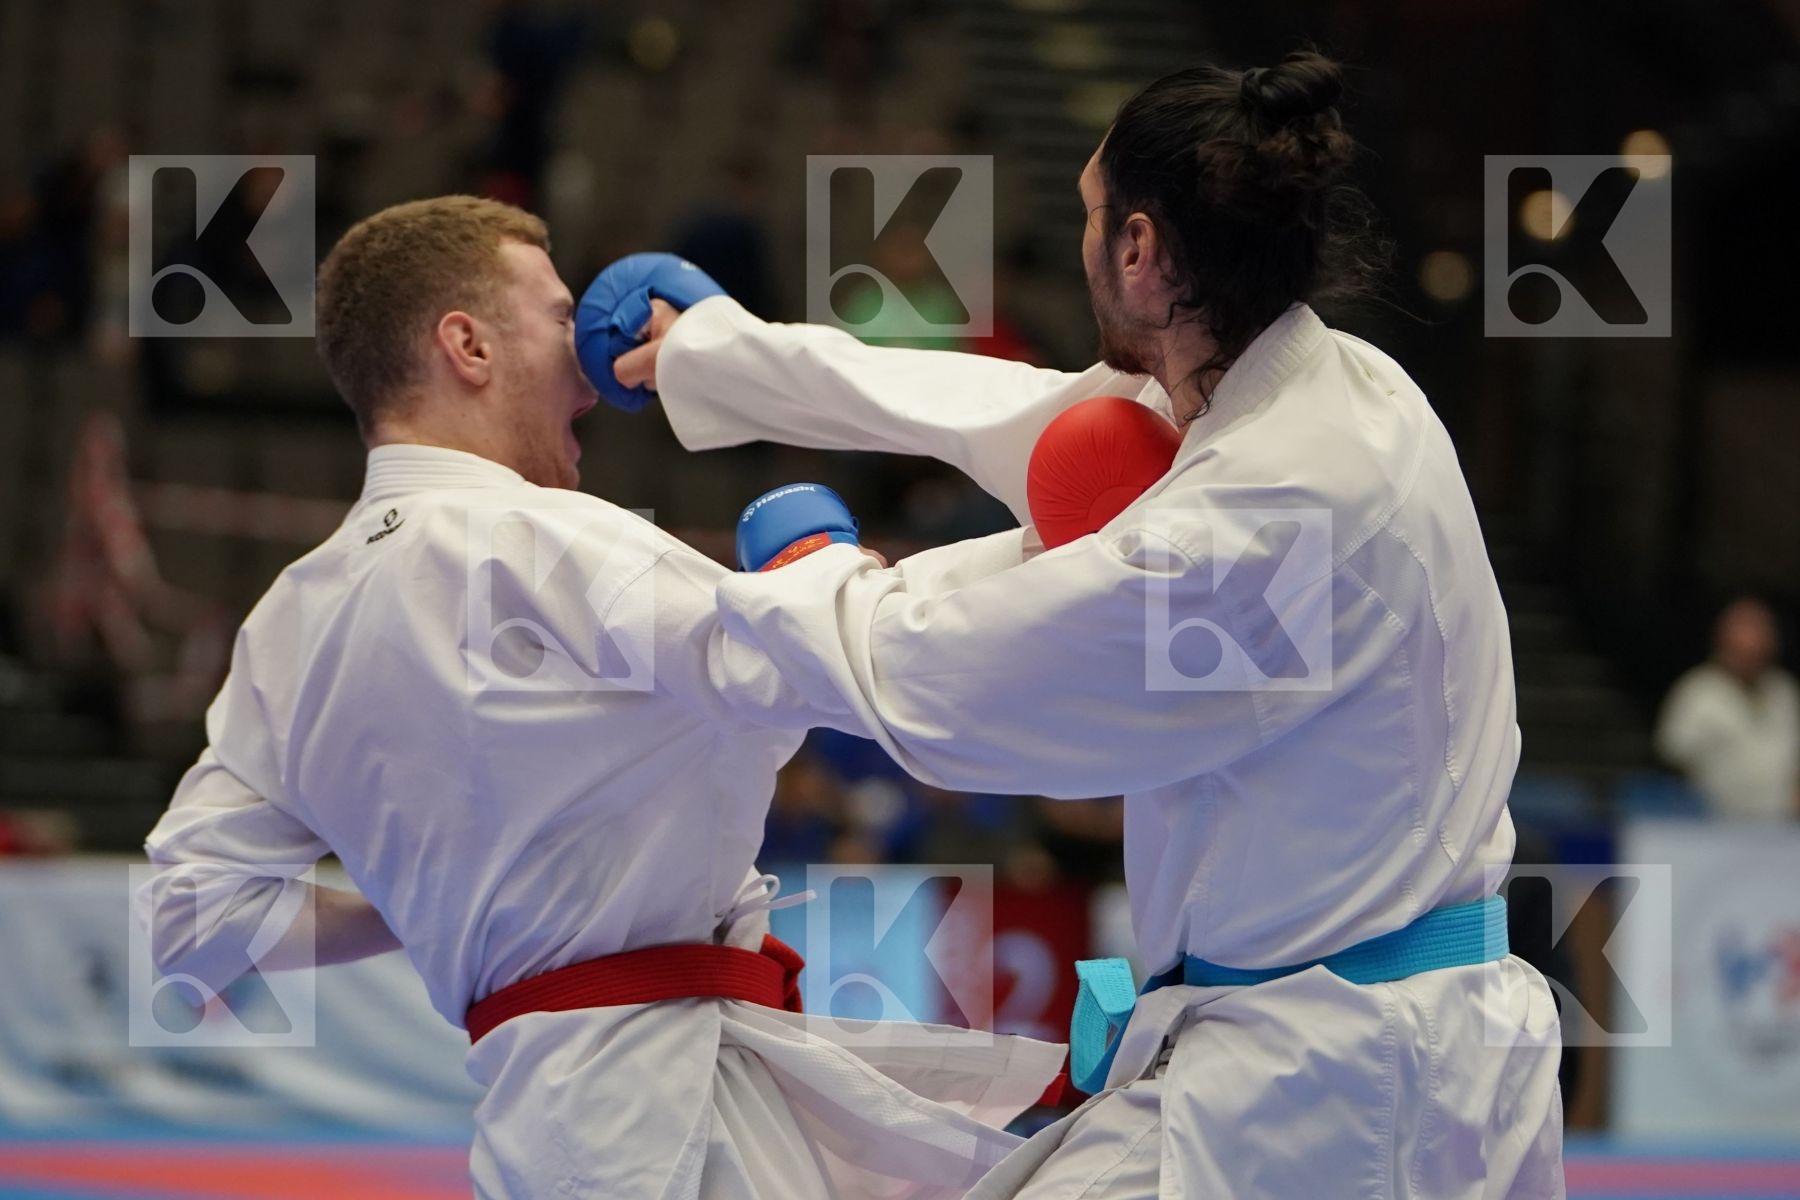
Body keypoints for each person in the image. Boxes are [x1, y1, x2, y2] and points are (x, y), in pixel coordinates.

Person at [601, 52, 1566, 1197]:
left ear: (1142, 250)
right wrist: (719, 349)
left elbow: (962, 686)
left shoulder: (1267, 508)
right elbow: (987, 407)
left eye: (1089, 218)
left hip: (1348, 1086)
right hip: (1332, 1049)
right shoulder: (1312, 390)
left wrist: (815, 585)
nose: (1080, 244)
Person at [133, 196, 1062, 1200]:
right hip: (660, 1120)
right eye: (559, 315)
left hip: (541, 1115)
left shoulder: (286, 624)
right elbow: (827, 657)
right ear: (468, 346)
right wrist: (898, 559)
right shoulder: (548, 542)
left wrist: (439, 893)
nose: (590, 357)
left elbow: (193, 920)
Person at [1655, 596, 1800, 819]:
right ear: (1723, 641)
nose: (1754, 647)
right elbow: (1671, 753)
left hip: (1782, 824)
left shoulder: (1784, 691)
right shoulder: (1698, 690)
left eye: (1762, 637)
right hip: (1716, 825)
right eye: (1744, 643)